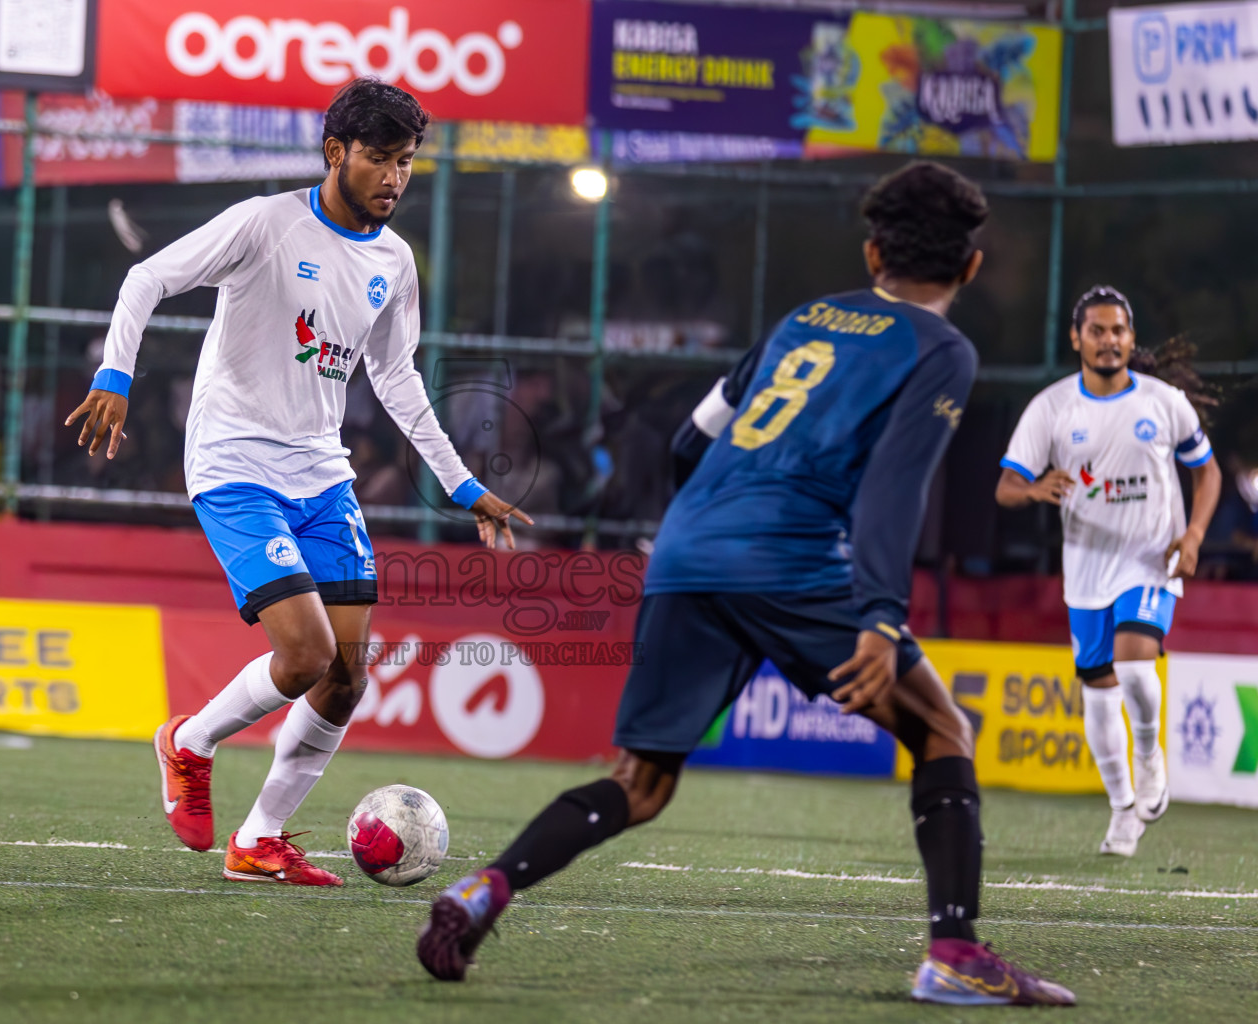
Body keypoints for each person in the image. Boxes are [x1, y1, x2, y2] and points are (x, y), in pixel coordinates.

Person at [416, 161, 1075, 1007]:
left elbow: (691, 441)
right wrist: (877, 615)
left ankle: (485, 891)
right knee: (942, 729)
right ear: (970, 268)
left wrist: (714, 519)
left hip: (689, 549)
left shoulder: (803, 320)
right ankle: (954, 952)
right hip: (792, 558)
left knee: (639, 784)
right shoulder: (942, 349)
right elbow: (894, 489)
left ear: (873, 252)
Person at [67, 78, 530, 887]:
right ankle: (190, 740)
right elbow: (147, 279)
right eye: (380, 159)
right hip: (234, 462)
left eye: (407, 162)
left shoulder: (394, 261)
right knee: (307, 652)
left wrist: (460, 485)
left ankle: (260, 840)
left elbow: (396, 378)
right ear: (334, 153)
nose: (394, 178)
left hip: (321, 472)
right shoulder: (263, 223)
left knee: (348, 675)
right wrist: (116, 374)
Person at [996, 287, 1220, 857]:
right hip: (1087, 572)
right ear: (1076, 338)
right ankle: (1122, 810)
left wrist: (1192, 536)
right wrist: (1033, 488)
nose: (1108, 340)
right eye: (1096, 330)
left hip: (1150, 561)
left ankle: (1150, 756)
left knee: (1135, 666)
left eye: (1117, 330)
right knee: (1098, 695)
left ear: (1130, 335)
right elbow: (1006, 487)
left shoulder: (1164, 402)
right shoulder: (1051, 408)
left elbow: (1208, 473)